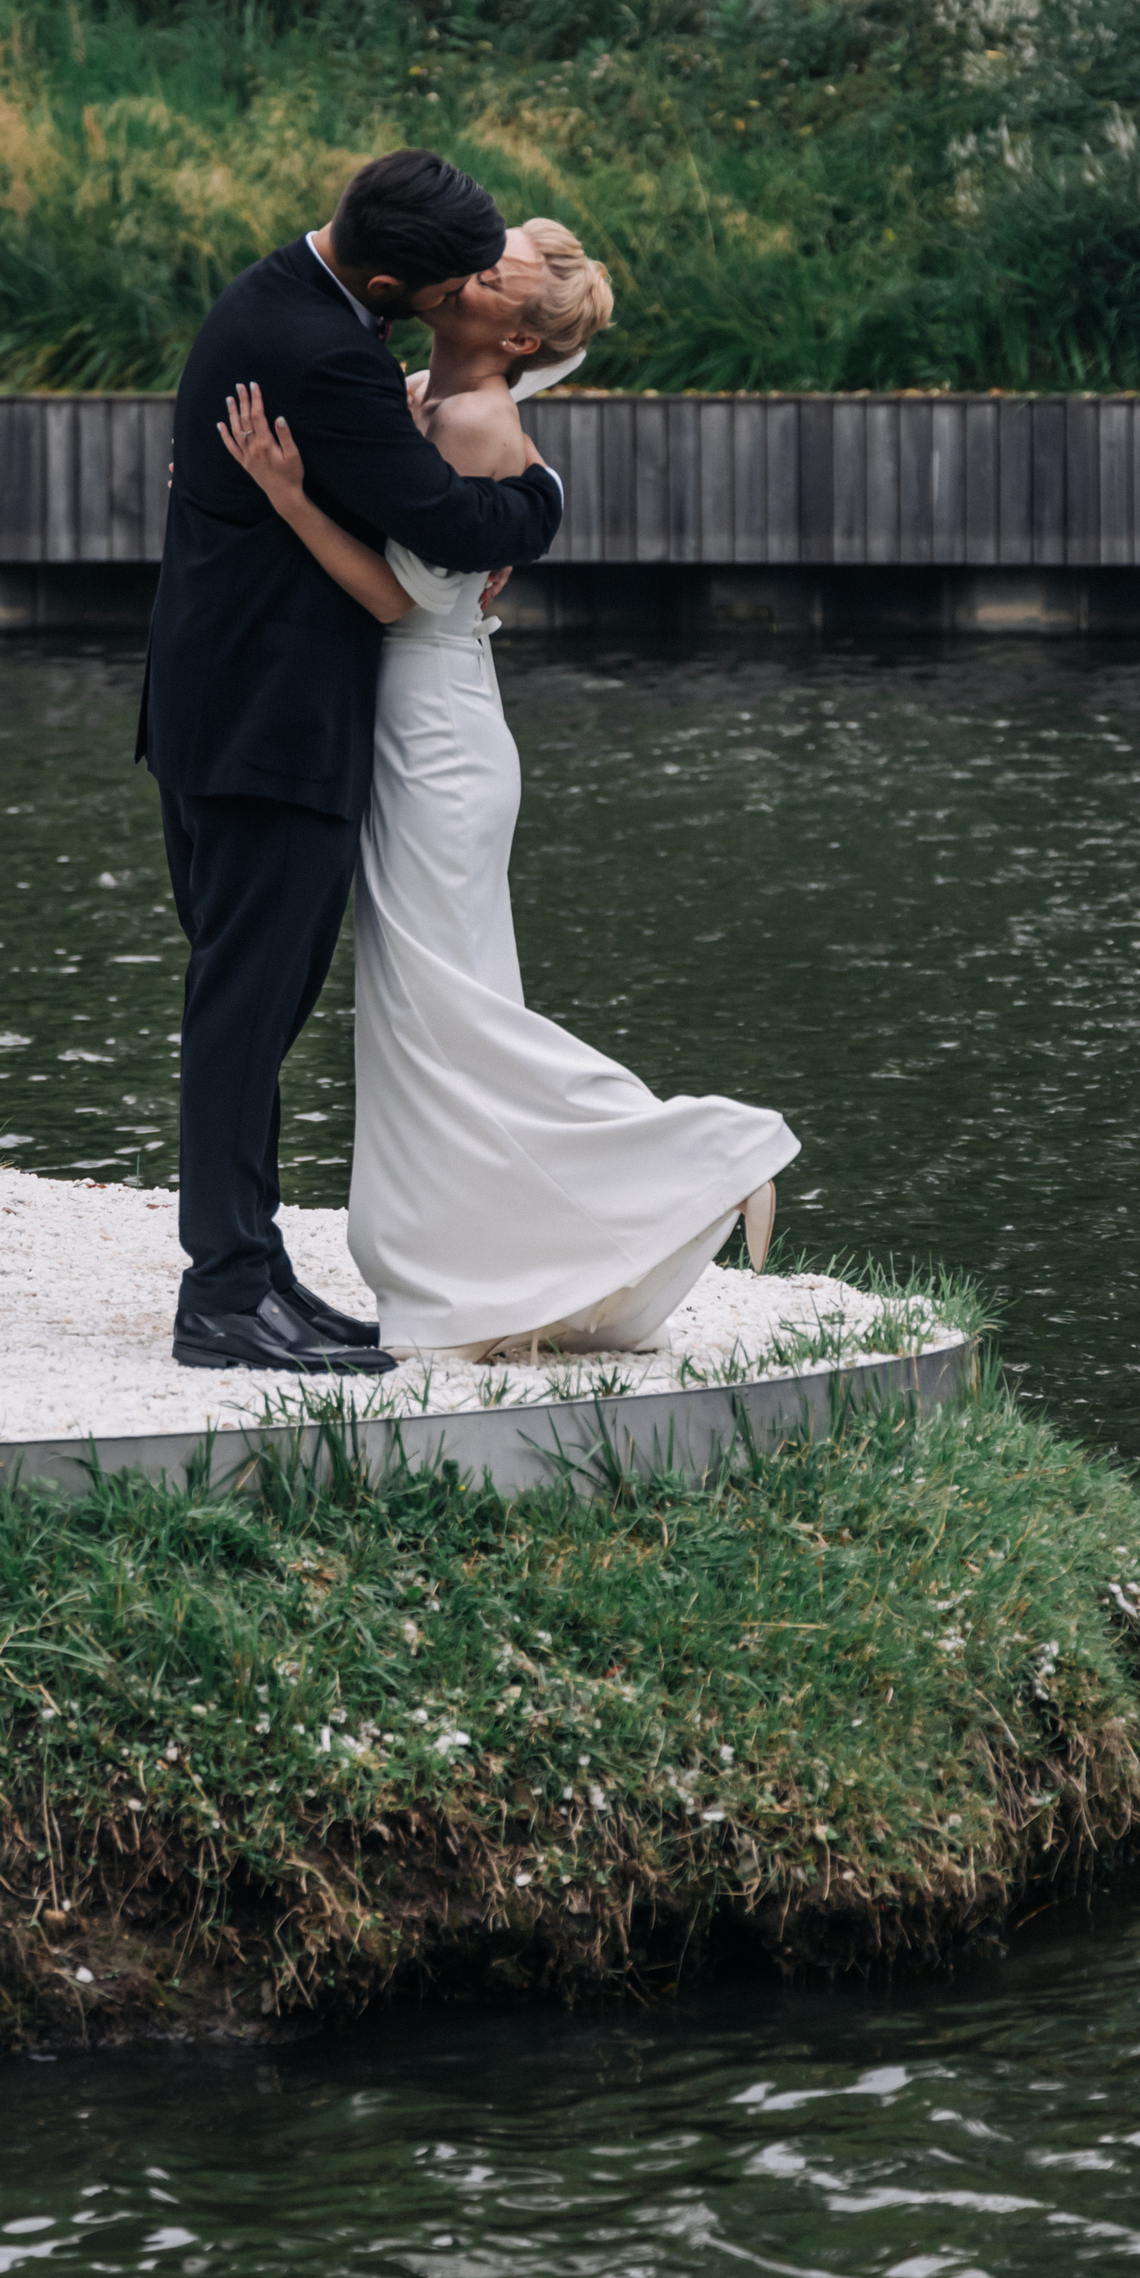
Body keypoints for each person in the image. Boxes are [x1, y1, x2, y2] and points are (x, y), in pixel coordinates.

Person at [219, 216, 796, 1359]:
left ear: (522, 337)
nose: (467, 274)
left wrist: (283, 494)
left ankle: (709, 1153)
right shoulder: (420, 386)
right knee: (427, 1006)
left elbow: (404, 601)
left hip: (434, 730)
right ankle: (496, 1261)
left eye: (492, 276)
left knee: (447, 1005)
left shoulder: (480, 421)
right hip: (413, 723)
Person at [138, 150, 566, 1375]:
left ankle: (257, 1267)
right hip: (270, 723)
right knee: (244, 1008)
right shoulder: (331, 355)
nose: (463, 294)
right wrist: (541, 503)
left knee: (252, 1003)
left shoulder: (279, 293)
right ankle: (222, 1295)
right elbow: (447, 519)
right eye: (446, 284)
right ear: (388, 275)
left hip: (224, 705)